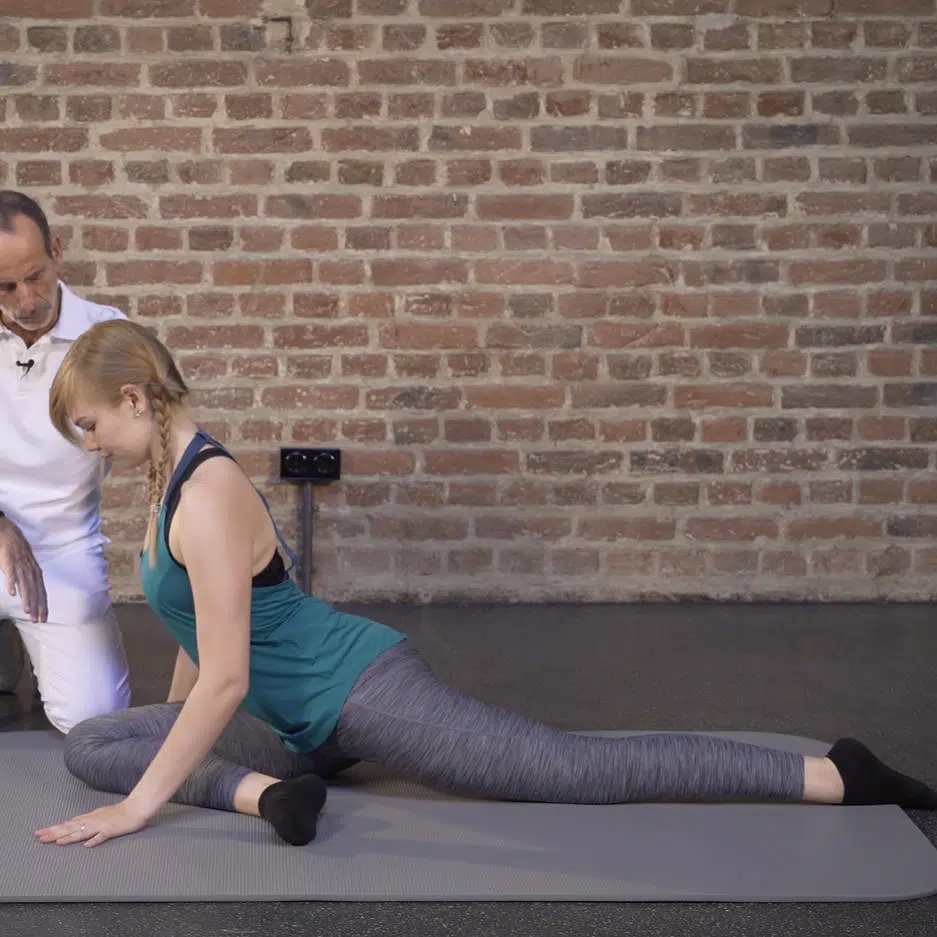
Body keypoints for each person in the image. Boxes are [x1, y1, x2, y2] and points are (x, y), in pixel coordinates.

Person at [34, 319, 937, 850]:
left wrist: (143, 803)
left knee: (560, 769)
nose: (87, 443)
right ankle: (270, 797)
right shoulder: (162, 479)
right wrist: (171, 742)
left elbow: (226, 673)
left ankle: (831, 773)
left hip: (359, 692)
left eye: (87, 424)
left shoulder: (207, 491)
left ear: (136, 401)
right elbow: (199, 638)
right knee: (97, 741)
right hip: (287, 727)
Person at [0, 190, 130, 732]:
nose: (28, 300)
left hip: (63, 546)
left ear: (56, 250)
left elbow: (153, 438)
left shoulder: (106, 334)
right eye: (5, 287)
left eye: (35, 276)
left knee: (94, 720)